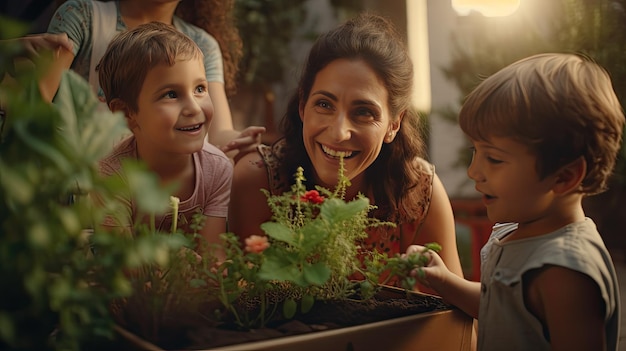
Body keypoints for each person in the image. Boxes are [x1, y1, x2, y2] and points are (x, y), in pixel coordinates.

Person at [228, 13, 464, 292]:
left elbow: (455, 321)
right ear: (303, 105)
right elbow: (247, 309)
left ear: (393, 124)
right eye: (324, 105)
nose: (339, 132)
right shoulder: (258, 180)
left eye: (363, 112)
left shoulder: (417, 190)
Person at [407, 53, 624, 350]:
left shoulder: (565, 272)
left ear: (565, 177)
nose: (474, 171)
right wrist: (444, 281)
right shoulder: (520, 232)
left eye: (494, 158)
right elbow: (499, 307)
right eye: (475, 152)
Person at [16, 0, 264, 161]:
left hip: (167, 198)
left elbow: (219, 131)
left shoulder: (203, 44)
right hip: (82, 190)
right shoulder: (83, 17)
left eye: (199, 89)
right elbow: (38, 104)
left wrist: (242, 140)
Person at [97, 21, 232, 259]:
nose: (193, 107)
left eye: (200, 89)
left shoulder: (217, 169)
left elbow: (214, 261)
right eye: (171, 94)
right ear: (126, 113)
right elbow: (123, 271)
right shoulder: (112, 175)